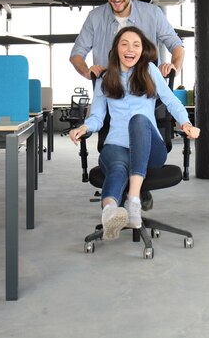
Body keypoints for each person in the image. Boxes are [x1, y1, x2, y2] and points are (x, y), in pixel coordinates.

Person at [69, 26, 200, 240]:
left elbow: (171, 100)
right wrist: (84, 128)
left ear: (142, 50)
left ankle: (133, 199)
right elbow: (97, 117)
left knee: (139, 119)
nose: (131, 49)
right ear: (116, 49)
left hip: (151, 150)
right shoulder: (104, 79)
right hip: (116, 144)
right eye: (125, 44)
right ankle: (110, 212)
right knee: (117, 168)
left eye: (136, 45)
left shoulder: (149, 70)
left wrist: (185, 122)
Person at [70, 0, 185, 80]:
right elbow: (76, 54)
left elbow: (176, 45)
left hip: (148, 92)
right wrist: (87, 72)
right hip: (108, 92)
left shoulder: (153, 13)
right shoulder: (94, 17)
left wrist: (174, 68)